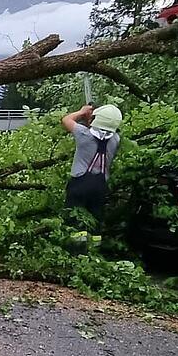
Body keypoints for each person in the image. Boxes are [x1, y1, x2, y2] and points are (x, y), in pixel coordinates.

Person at [61, 104, 122, 248]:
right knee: (96, 220)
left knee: (74, 219)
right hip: (100, 187)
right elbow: (102, 133)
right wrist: (91, 120)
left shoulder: (83, 134)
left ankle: (75, 252)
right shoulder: (116, 140)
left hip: (79, 185)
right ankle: (94, 252)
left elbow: (66, 120)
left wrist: (82, 112)